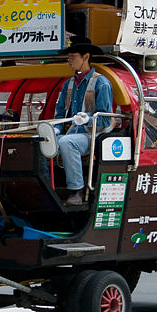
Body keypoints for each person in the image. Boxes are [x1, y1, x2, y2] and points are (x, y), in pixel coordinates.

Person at [54, 38, 114, 205]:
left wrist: (88, 119)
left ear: (86, 56)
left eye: (73, 56)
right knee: (40, 143)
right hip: (70, 133)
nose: (69, 60)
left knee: (67, 143)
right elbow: (60, 114)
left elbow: (105, 120)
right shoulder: (68, 84)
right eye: (69, 56)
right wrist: (56, 129)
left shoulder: (101, 83)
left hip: (91, 136)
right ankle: (46, 187)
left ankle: (76, 190)